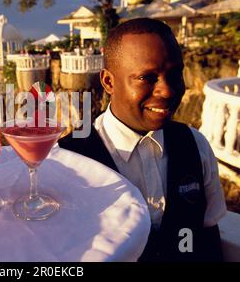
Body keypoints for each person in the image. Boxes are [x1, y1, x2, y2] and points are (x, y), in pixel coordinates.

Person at [58, 18, 227, 262]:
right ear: (108, 82)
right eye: (147, 78)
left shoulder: (194, 144)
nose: (167, 91)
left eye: (175, 74)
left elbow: (207, 230)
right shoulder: (69, 160)